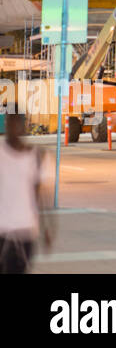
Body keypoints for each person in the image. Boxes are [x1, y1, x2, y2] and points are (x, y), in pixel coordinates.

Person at [0, 113, 52, 273]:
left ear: (24, 126)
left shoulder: (37, 156)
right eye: (9, 122)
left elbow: (41, 197)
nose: (12, 127)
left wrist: (47, 227)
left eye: (16, 123)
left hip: (26, 229)